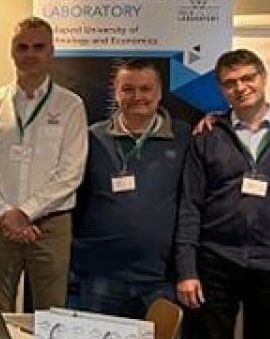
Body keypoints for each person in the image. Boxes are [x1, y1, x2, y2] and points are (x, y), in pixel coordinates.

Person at [0, 17, 88, 314]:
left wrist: (26, 212)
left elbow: (71, 172)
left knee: (51, 315)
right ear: (12, 51)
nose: (30, 54)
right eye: (22, 47)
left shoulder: (70, 105)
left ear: (51, 51)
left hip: (50, 225)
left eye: (38, 47)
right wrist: (5, 214)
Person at [176, 49, 270, 339]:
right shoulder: (207, 134)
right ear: (221, 89)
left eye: (248, 78)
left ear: (263, 77)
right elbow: (190, 205)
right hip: (215, 262)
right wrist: (186, 270)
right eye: (230, 83)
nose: (240, 88)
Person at [65, 59, 190, 319]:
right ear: (116, 93)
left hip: (160, 278)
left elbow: (192, 205)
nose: (137, 97)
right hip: (100, 275)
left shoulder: (185, 137)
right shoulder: (91, 137)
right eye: (128, 89)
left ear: (159, 93)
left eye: (145, 89)